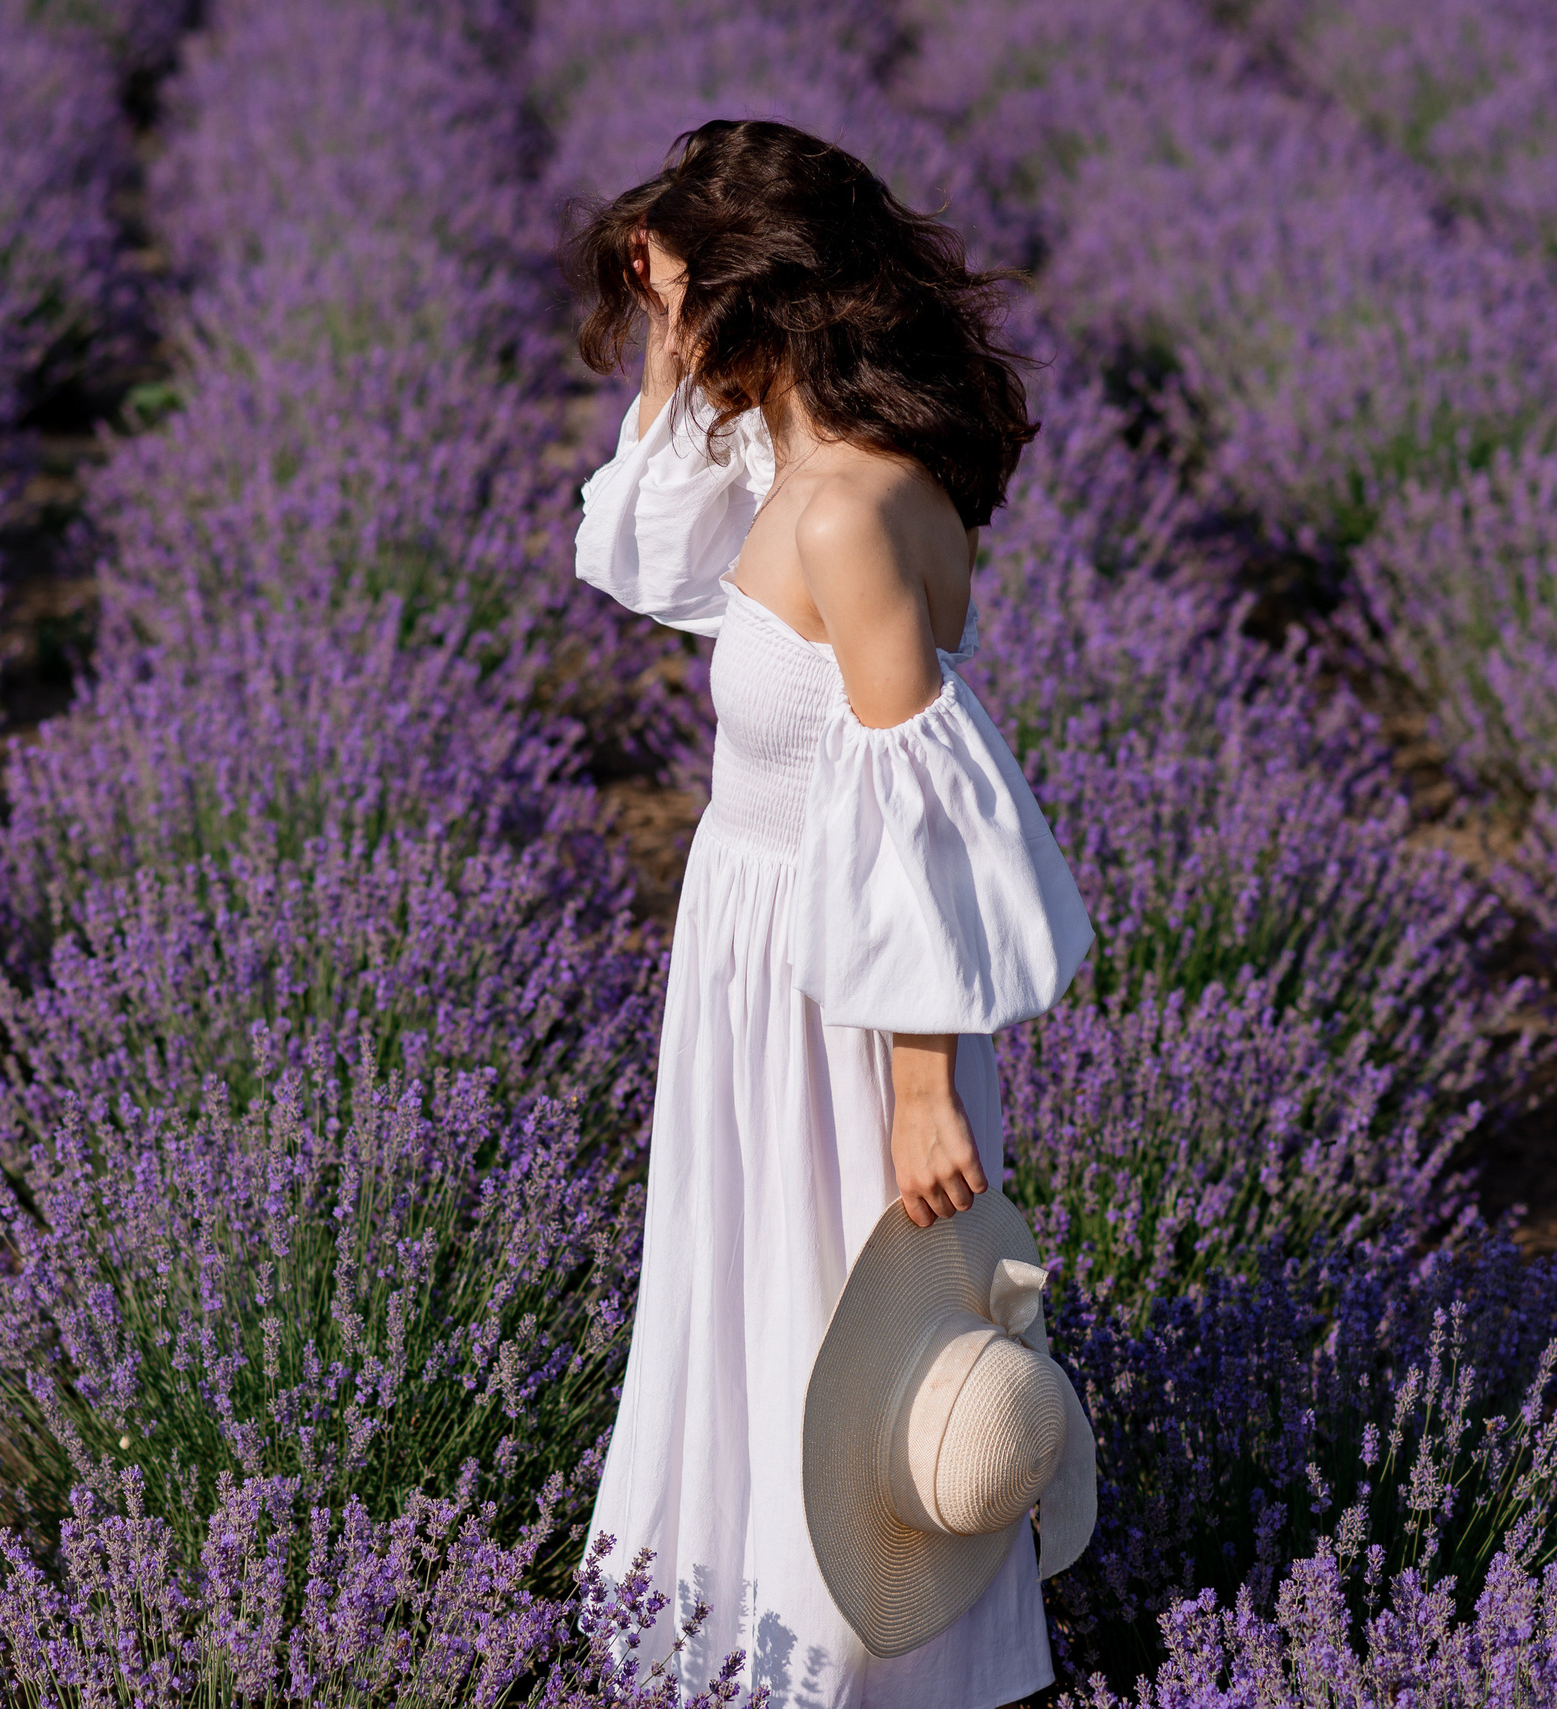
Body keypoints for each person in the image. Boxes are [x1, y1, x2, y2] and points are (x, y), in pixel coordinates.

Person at [567, 119, 1095, 1708]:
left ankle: (835, 1668)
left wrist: (922, 1086)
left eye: (679, 306)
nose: (663, 338)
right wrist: (673, 332)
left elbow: (909, 811)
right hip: (764, 956)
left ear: (761, 303)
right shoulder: (815, 472)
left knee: (819, 1318)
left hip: (842, 992)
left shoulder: (845, 512)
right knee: (763, 1302)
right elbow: (630, 550)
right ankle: (771, 1648)